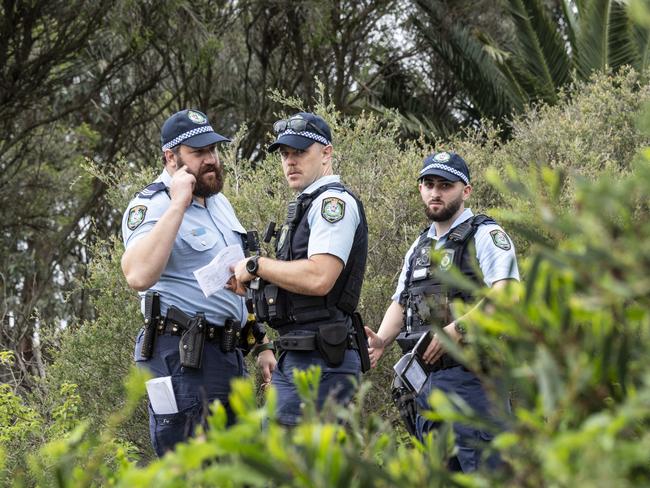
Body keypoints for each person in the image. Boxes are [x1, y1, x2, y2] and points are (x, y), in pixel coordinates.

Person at [121, 109, 276, 456]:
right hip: (181, 357)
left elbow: (233, 287)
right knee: (193, 471)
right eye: (198, 152)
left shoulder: (220, 204)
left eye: (213, 150)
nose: (211, 160)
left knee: (235, 471)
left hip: (226, 355)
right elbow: (138, 275)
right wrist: (178, 203)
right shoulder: (151, 204)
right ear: (171, 158)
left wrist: (260, 342)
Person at [365, 151, 519, 472]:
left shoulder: (485, 236)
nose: (435, 192)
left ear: (466, 191)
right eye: (429, 184)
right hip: (426, 387)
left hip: (474, 382)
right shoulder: (420, 246)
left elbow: (507, 294)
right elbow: (402, 301)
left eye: (445, 185)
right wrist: (381, 339)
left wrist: (458, 330)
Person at [231, 112, 369, 426]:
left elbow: (320, 277)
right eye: (285, 154)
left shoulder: (333, 203)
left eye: (300, 152)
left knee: (299, 469)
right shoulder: (307, 206)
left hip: (320, 361)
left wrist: (257, 266)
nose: (291, 161)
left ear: (326, 153)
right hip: (300, 356)